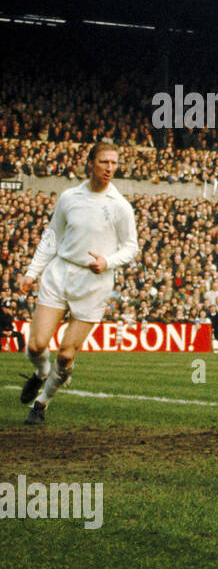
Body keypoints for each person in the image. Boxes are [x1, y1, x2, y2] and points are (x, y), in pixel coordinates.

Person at [16, 142, 139, 424]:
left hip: (94, 282)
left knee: (66, 354)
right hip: (60, 273)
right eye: (104, 162)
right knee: (36, 346)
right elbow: (52, 238)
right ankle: (40, 374)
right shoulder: (69, 197)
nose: (110, 168)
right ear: (90, 163)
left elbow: (131, 247)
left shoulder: (120, 206)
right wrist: (31, 273)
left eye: (114, 163)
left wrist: (107, 262)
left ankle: (42, 403)